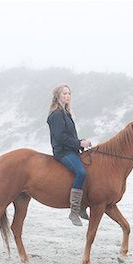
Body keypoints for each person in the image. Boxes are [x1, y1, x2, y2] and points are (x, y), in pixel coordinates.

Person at [47, 84, 92, 226]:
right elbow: (60, 137)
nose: (67, 96)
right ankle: (74, 211)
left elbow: (69, 135)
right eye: (64, 93)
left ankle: (83, 206)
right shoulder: (56, 114)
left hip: (71, 150)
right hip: (62, 152)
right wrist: (79, 143)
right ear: (58, 96)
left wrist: (81, 142)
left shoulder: (66, 113)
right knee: (81, 173)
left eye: (69, 93)